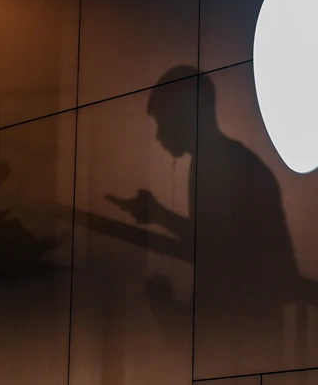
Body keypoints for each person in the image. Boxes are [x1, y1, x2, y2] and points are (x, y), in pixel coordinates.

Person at [107, 66, 299, 375]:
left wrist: (157, 214)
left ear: (186, 113)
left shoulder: (215, 165)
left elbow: (214, 245)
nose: (158, 135)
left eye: (162, 121)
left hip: (242, 333)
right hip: (249, 330)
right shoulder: (224, 160)